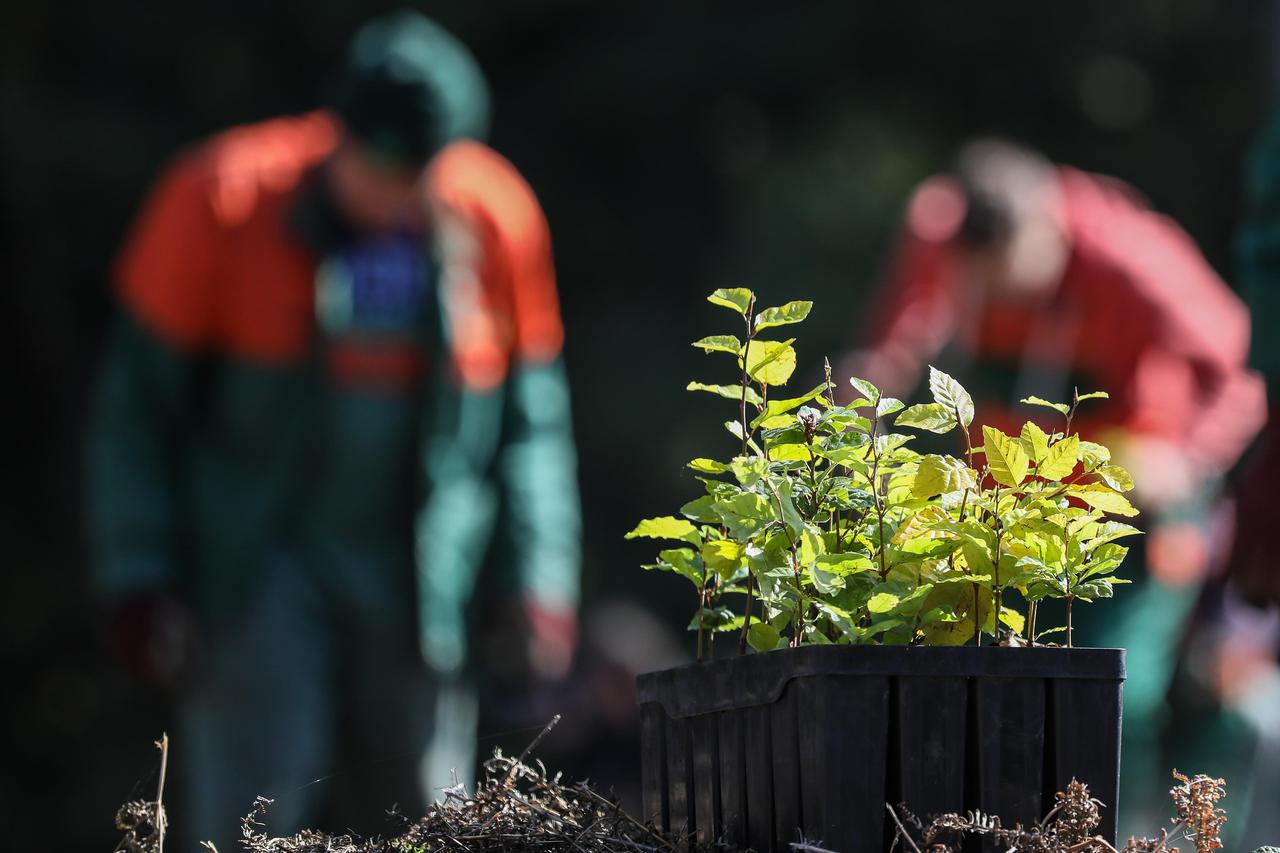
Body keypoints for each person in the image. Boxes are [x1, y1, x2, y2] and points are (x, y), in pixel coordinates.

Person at [87, 10, 581, 848]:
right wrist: (140, 576)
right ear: (335, 133)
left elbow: (532, 425)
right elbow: (134, 415)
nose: (392, 190)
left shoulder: (497, 218)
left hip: (424, 578)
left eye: (415, 170)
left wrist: (539, 586)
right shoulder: (221, 200)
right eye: (375, 163)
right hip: (257, 565)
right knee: (253, 822)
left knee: (436, 818)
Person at [838, 138, 1266, 835]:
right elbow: (893, 337)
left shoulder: (1135, 261)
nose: (995, 297)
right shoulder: (941, 229)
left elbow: (1242, 370)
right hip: (1004, 516)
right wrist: (859, 401)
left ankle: (1114, 839)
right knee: (984, 680)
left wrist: (1188, 459)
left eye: (1012, 280)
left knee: (1116, 690)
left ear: (1047, 229)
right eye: (978, 283)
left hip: (1129, 515)